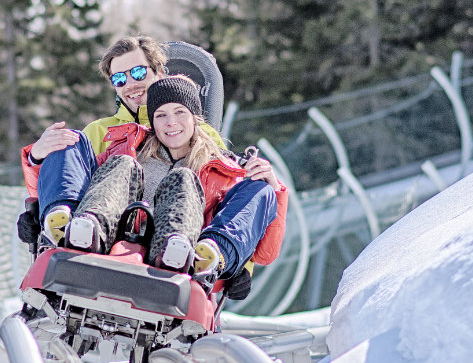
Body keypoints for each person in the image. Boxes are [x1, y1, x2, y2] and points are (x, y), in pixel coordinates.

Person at [37, 73, 287, 281]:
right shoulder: (128, 149)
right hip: (112, 237)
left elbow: (265, 254)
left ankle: (206, 255)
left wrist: (273, 191)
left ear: (194, 118)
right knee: (76, 142)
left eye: (180, 112)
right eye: (161, 115)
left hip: (181, 255)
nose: (171, 122)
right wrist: (37, 158)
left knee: (190, 180)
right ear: (152, 122)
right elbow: (74, 178)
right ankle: (75, 227)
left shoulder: (223, 171)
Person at [23, 35, 273, 236]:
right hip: (107, 234)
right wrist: (37, 160)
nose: (130, 83)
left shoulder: (195, 131)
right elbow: (65, 183)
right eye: (119, 79)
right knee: (73, 144)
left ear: (159, 71)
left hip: (174, 231)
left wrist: (239, 266)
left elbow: (226, 195)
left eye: (139, 73)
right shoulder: (99, 132)